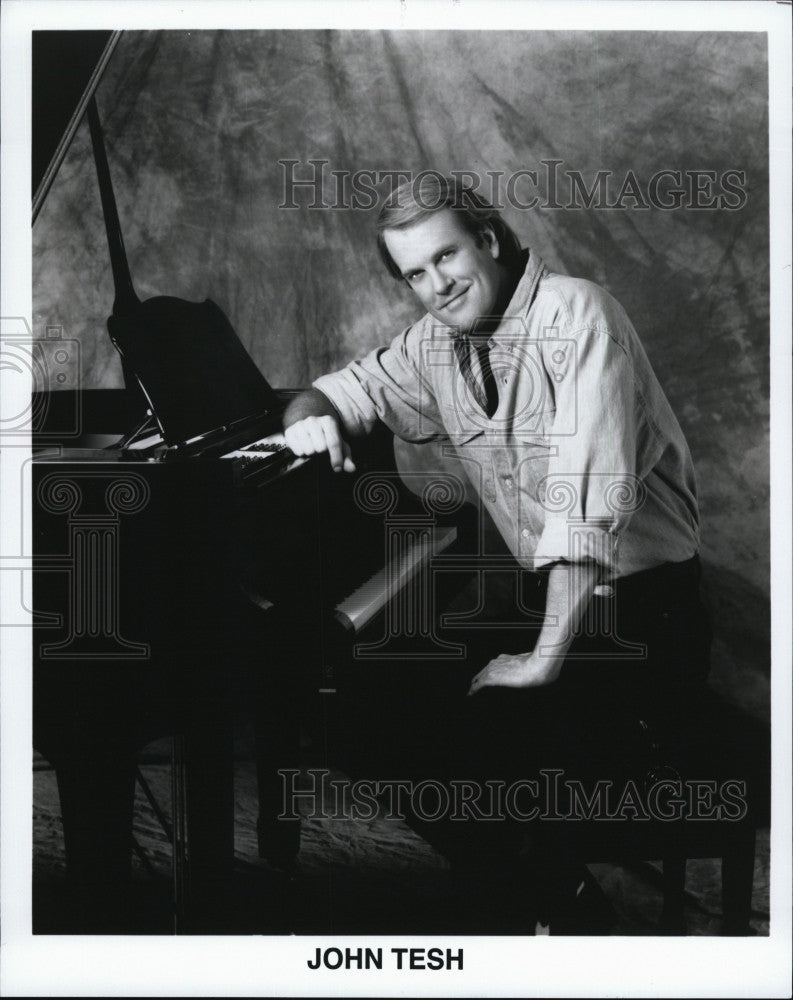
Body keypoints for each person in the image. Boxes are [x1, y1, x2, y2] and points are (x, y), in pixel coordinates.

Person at [282, 173, 711, 929]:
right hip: (550, 605)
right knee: (358, 706)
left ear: (485, 240)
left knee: (487, 732)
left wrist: (542, 659)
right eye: (414, 273)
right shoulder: (434, 346)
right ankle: (551, 898)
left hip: (647, 618)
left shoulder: (577, 313)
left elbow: (584, 506)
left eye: (445, 258)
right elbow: (339, 390)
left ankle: (519, 907)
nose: (436, 285)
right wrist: (306, 419)